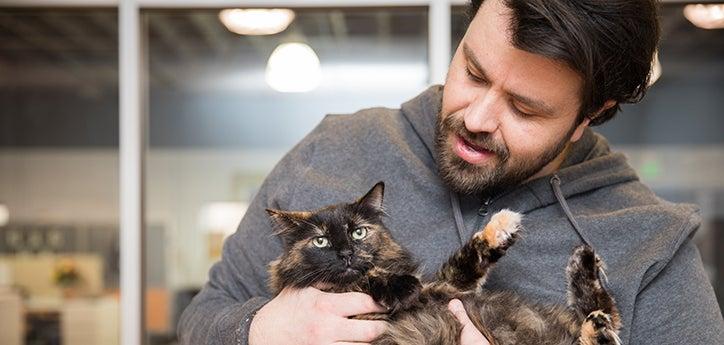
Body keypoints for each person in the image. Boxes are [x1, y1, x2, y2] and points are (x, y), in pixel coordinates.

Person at [178, 0, 724, 344]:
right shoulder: (335, 147)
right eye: (473, 71)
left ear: (591, 115)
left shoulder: (653, 244)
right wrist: (257, 330)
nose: (477, 119)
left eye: (525, 108)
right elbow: (203, 317)